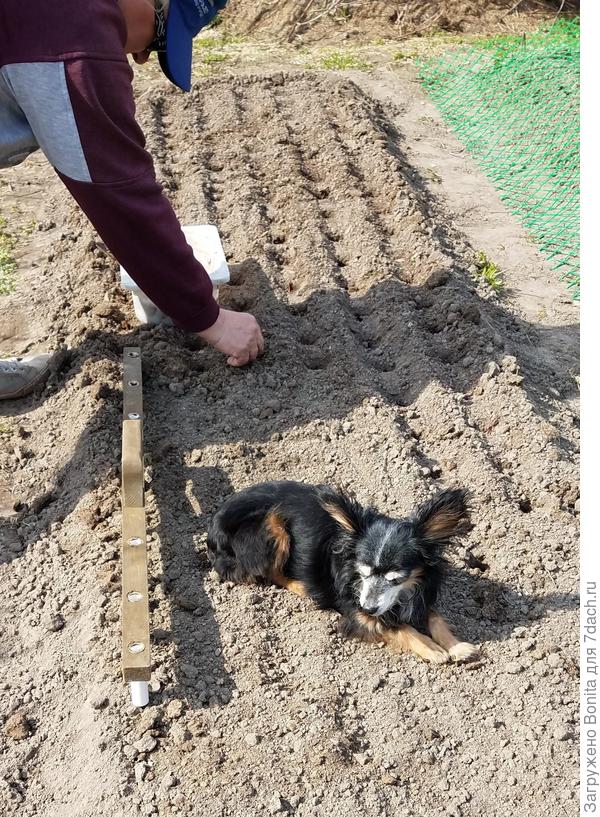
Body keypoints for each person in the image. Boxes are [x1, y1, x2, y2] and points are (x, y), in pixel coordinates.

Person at [0, 0, 264, 400]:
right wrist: (210, 319)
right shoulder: (75, 26)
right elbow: (118, 193)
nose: (139, 56)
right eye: (159, 37)